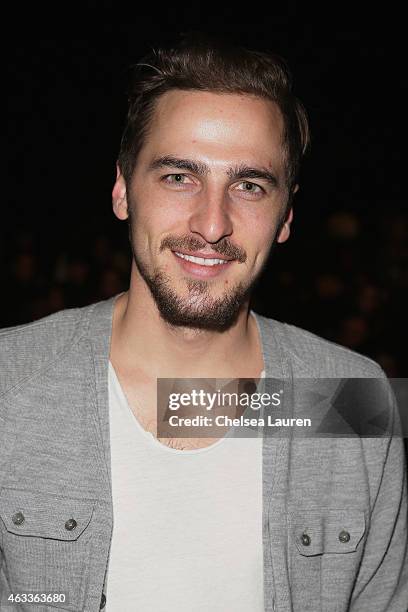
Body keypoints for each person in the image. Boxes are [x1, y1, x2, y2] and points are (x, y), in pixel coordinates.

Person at [0, 35, 406, 612]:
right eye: (178, 176)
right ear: (122, 189)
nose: (212, 224)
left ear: (286, 216)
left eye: (248, 185)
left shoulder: (354, 400)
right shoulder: (11, 382)